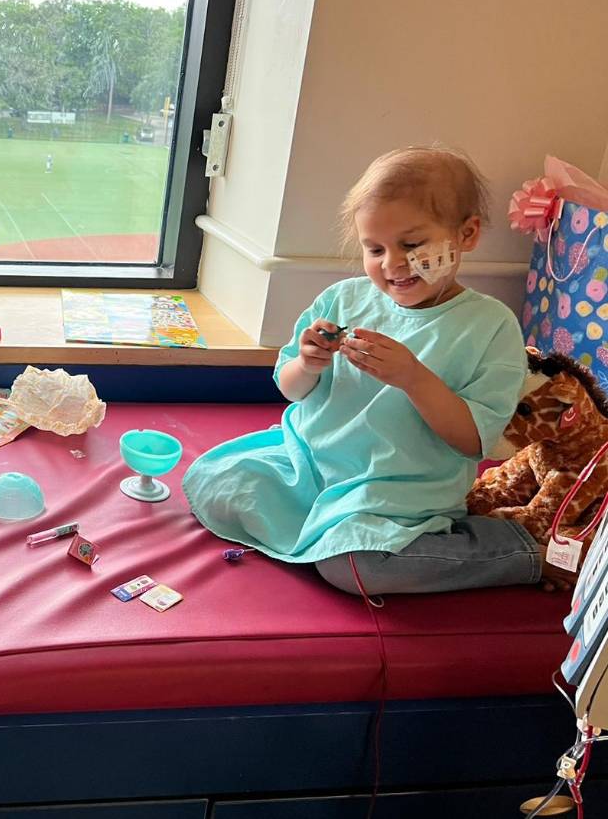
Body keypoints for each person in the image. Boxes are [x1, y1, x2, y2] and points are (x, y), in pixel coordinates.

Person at [182, 146, 549, 595]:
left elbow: (474, 441)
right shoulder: (344, 299)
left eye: (412, 246)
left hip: (393, 493)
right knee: (215, 482)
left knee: (357, 567)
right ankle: (318, 534)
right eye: (374, 248)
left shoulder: (490, 325)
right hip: (310, 467)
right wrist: (307, 363)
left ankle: (517, 550)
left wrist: (413, 378)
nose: (392, 264)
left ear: (466, 234)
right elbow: (291, 389)